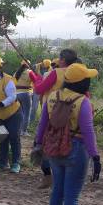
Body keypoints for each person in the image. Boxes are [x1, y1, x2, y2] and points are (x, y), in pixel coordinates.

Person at [34, 62, 100, 205]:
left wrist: (38, 144)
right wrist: (95, 156)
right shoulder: (83, 102)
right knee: (72, 195)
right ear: (82, 82)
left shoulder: (52, 97)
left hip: (54, 148)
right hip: (76, 149)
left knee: (58, 191)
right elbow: (88, 131)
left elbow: (42, 124)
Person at [29, 50, 78, 189]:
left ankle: (48, 177)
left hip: (53, 113)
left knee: (43, 144)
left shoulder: (55, 73)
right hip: (74, 112)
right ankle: (65, 177)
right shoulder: (79, 72)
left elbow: (39, 89)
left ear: (62, 60)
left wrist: (38, 78)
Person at [30, 59, 53, 125]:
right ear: (42, 63)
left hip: (45, 89)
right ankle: (31, 120)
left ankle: (42, 121)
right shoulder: (35, 66)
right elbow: (30, 74)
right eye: (44, 66)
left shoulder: (51, 69)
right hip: (37, 88)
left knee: (43, 105)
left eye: (46, 67)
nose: (45, 67)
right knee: (34, 105)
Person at [14, 60, 34, 136]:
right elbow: (36, 81)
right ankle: (24, 131)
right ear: (28, 65)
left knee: (20, 113)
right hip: (26, 94)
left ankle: (18, 129)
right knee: (27, 113)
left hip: (16, 94)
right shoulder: (30, 72)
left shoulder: (16, 73)